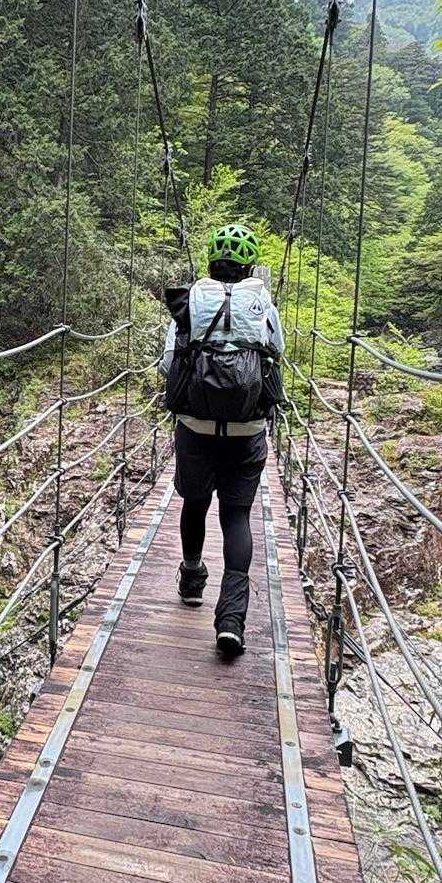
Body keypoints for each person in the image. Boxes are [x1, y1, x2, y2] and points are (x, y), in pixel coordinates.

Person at [161, 223, 284, 657]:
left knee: (195, 503)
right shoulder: (262, 304)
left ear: (210, 263)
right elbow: (276, 354)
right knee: (236, 516)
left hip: (195, 428)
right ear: (250, 267)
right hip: (247, 432)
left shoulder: (191, 302)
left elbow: (169, 364)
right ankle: (231, 621)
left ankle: (193, 580)